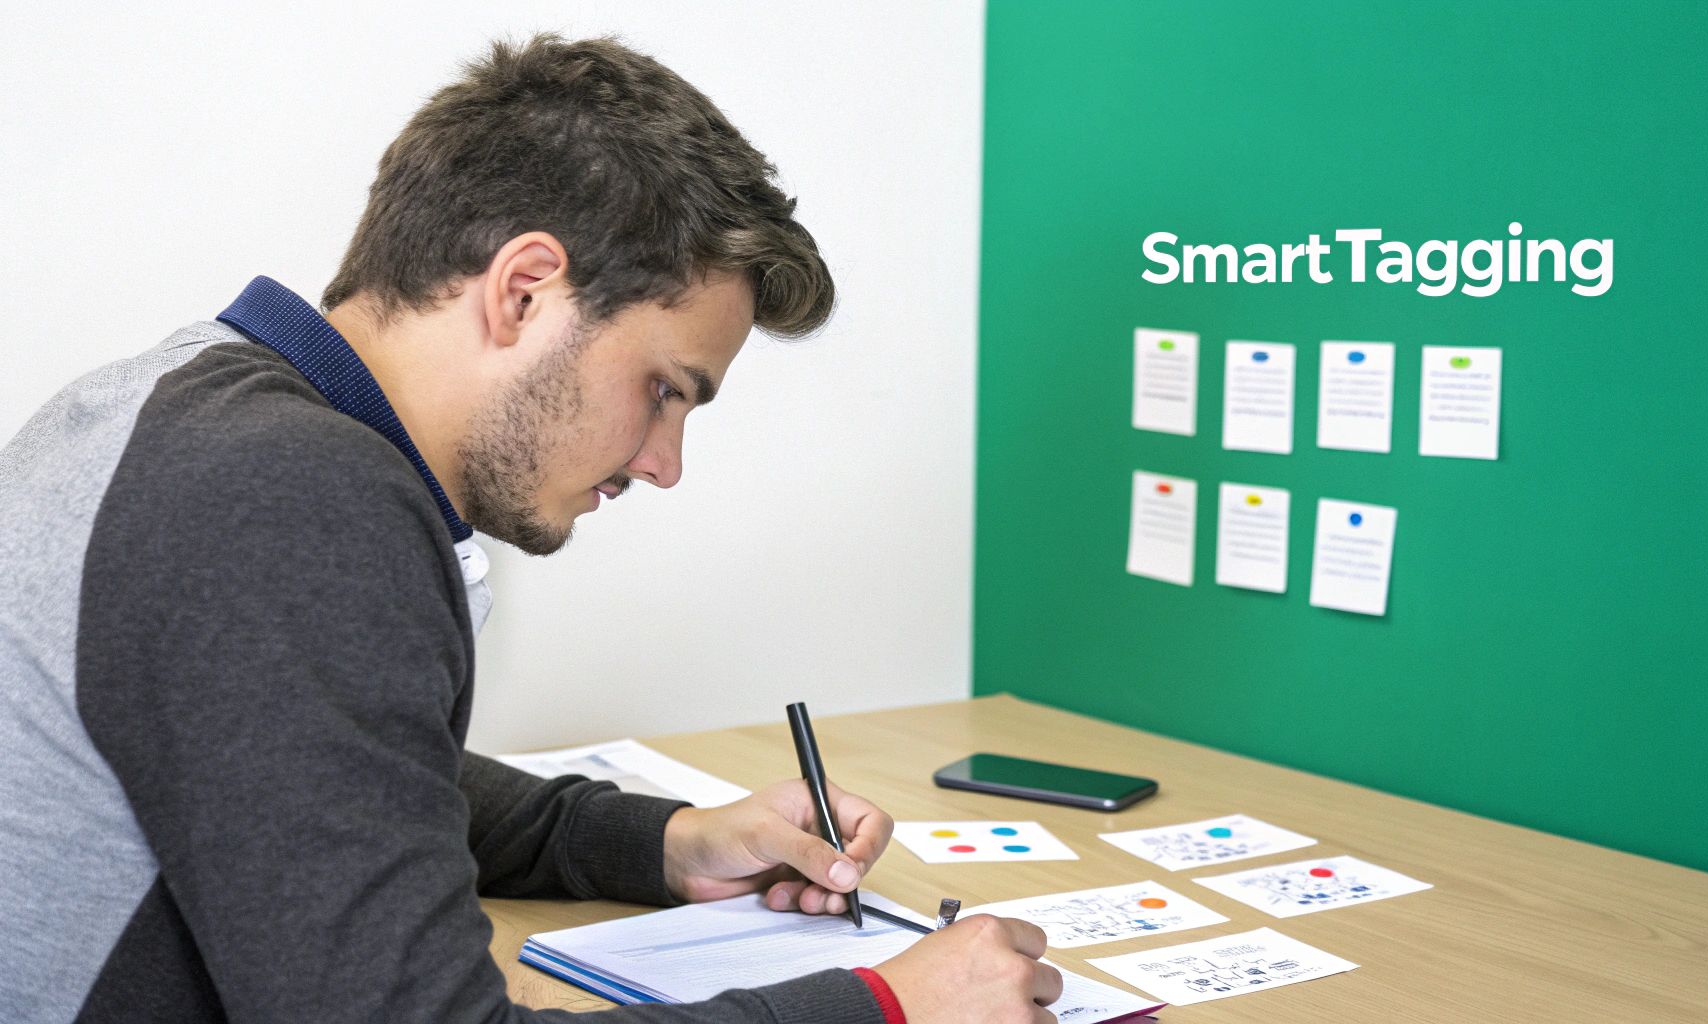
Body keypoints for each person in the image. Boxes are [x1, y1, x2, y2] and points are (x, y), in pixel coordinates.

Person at [0, 33, 1060, 1024]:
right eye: (661, 389)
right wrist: (887, 1005)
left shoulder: (180, 398)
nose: (663, 462)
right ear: (523, 290)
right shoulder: (293, 498)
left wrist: (659, 844)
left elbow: (328, 769)